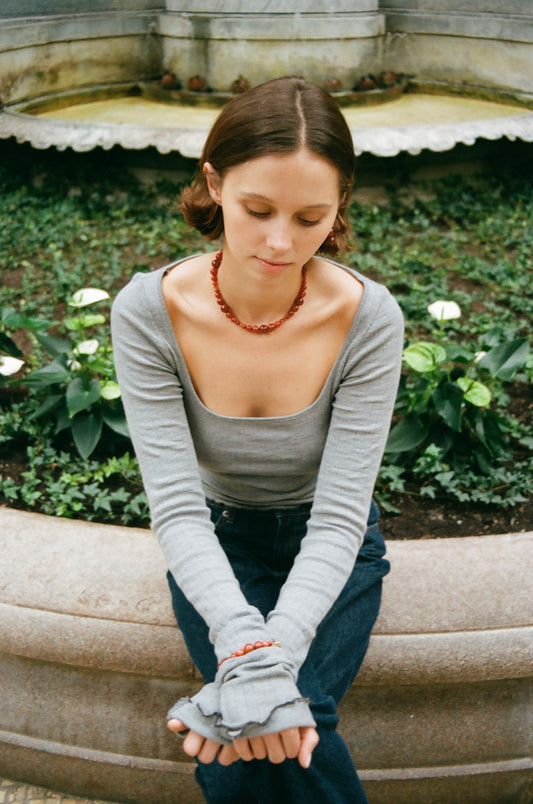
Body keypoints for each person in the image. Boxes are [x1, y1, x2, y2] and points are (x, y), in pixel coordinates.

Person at [111, 76, 403, 804]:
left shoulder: (368, 318)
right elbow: (177, 510)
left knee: (257, 730)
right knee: (269, 725)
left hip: (332, 546)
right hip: (219, 538)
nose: (281, 242)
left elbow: (339, 517)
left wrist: (259, 664)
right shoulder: (149, 312)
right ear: (213, 183)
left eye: (311, 217)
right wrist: (242, 641)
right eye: (257, 209)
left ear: (340, 204)